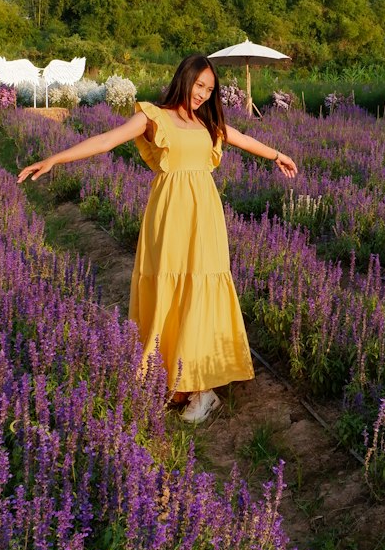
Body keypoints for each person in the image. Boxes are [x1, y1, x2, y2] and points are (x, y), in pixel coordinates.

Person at [17, 55, 298, 424]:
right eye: (199, 85)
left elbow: (243, 139)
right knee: (170, 289)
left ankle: (203, 389)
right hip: (168, 215)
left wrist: (278, 155)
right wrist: (55, 159)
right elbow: (106, 140)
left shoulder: (208, 122)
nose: (203, 94)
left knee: (200, 289)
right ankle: (175, 380)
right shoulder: (153, 116)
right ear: (184, 79)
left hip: (204, 216)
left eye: (209, 90)